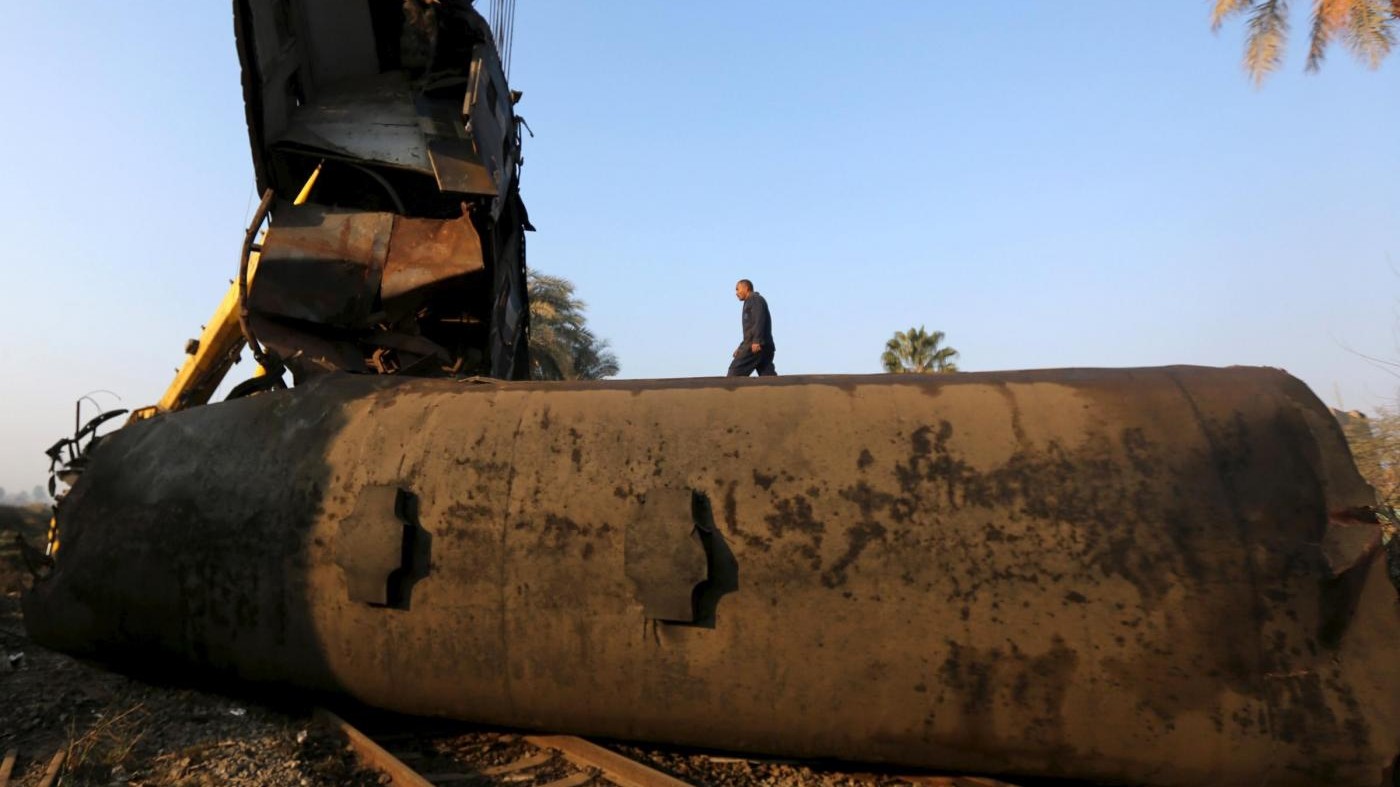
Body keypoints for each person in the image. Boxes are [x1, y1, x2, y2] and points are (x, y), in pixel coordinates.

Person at [727, 279, 777, 377]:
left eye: (738, 289)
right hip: (763, 346)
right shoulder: (750, 301)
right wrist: (741, 347)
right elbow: (750, 330)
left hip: (757, 346)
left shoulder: (754, 299)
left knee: (734, 372)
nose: (736, 293)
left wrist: (757, 341)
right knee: (769, 378)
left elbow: (759, 319)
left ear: (746, 288)